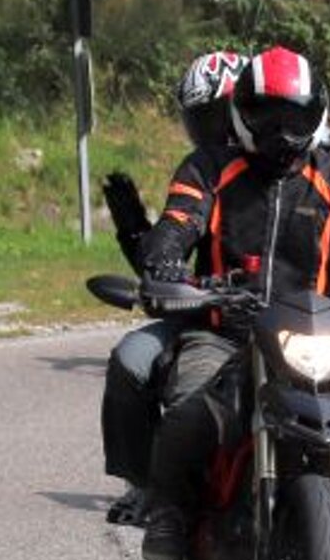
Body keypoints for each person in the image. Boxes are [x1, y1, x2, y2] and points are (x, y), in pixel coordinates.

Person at [137, 46, 330, 560]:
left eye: (295, 118)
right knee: (188, 403)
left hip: (314, 339)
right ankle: (169, 512)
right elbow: (178, 221)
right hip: (224, 333)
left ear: (317, 117)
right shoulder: (208, 167)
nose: (282, 133)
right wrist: (165, 257)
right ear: (241, 113)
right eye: (268, 116)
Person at [99, 49, 250, 523]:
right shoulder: (202, 171)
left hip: (294, 319)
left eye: (216, 115)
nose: (210, 130)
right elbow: (165, 263)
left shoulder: (300, 162)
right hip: (208, 316)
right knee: (130, 360)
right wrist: (135, 232)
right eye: (200, 118)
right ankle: (145, 484)